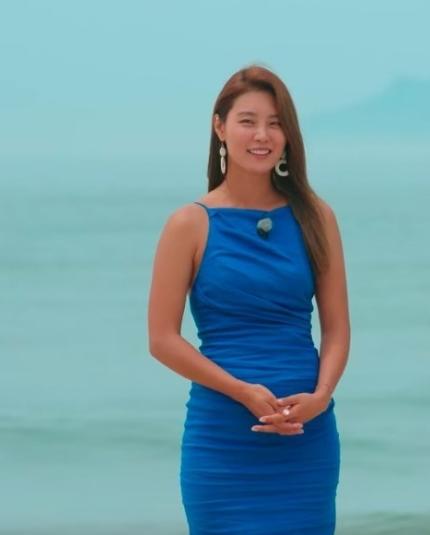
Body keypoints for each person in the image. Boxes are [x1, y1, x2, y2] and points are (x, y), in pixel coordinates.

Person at [147, 66, 349, 534]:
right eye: (248, 121)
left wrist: (320, 397)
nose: (262, 135)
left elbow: (337, 328)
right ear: (220, 127)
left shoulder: (316, 217)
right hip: (223, 439)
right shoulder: (189, 224)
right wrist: (242, 392)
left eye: (275, 123)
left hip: (306, 437)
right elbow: (161, 339)